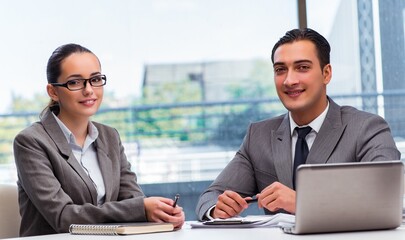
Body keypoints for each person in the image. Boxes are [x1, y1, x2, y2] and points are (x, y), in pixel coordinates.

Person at [195, 28, 400, 221]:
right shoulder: (258, 136)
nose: (289, 80)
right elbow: (210, 196)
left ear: (326, 73)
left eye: (302, 67)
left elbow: (385, 198)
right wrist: (218, 209)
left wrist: (302, 203)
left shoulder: (367, 128)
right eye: (280, 70)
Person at [13, 43, 185, 236]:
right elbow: (63, 217)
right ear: (53, 91)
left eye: (95, 79)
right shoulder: (30, 142)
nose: (89, 90)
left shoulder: (110, 136)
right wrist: (140, 208)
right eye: (75, 82)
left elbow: (132, 198)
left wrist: (160, 213)